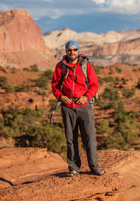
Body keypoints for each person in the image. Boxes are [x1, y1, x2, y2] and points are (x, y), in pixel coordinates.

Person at [52, 40, 106, 177]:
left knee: (89, 137)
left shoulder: (86, 66)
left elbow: (94, 84)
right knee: (71, 138)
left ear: (78, 51)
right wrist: (61, 96)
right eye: (69, 50)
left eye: (74, 49)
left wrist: (86, 96)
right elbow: (55, 86)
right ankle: (74, 168)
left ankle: (94, 167)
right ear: (66, 52)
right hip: (68, 106)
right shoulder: (60, 66)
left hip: (84, 106)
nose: (72, 52)